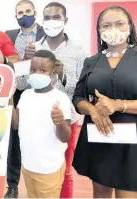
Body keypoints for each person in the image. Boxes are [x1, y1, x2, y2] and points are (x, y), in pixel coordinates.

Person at [72, 6, 137, 198]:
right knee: (100, 194)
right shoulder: (91, 61)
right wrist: (91, 110)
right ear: (99, 31)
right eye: (106, 25)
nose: (113, 29)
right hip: (99, 138)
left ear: (130, 27)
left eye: (119, 24)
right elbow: (78, 98)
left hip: (133, 145)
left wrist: (119, 105)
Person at [33, 2, 88, 198]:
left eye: (56, 17)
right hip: (37, 119)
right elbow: (22, 85)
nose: (51, 21)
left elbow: (83, 86)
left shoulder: (79, 50)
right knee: (39, 168)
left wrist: (64, 75)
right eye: (47, 18)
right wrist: (25, 61)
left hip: (66, 119)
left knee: (64, 170)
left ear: (66, 20)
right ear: (42, 21)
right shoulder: (35, 47)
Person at [10, 50, 71, 198]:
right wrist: (10, 98)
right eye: (33, 70)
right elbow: (15, 125)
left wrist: (60, 122)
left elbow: (65, 137)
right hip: (28, 165)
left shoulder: (60, 98)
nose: (37, 73)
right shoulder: (25, 95)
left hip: (49, 168)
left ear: (53, 72)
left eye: (43, 70)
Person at [2, 0, 46, 197]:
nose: (24, 15)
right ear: (15, 16)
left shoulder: (46, 34)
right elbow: (5, 63)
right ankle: (12, 185)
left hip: (39, 92)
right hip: (15, 93)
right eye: (20, 13)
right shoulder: (9, 35)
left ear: (35, 13)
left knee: (39, 137)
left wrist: (33, 58)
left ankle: (38, 185)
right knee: (14, 141)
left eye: (28, 11)